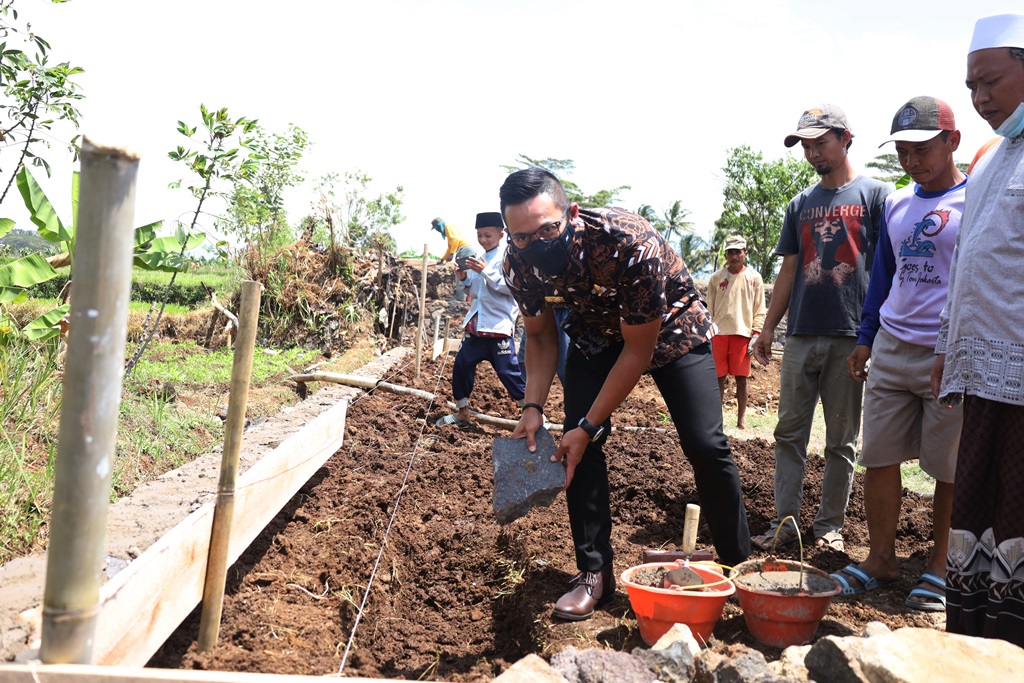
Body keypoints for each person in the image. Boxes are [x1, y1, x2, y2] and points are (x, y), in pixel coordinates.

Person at [500, 167, 751, 621]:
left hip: (671, 328)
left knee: (704, 442)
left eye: (548, 229)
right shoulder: (517, 261)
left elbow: (638, 350)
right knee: (580, 448)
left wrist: (589, 424)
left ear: (571, 214)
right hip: (595, 333)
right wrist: (533, 407)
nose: (536, 243)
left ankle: (737, 564)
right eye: (522, 236)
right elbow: (538, 337)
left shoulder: (628, 242)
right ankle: (595, 574)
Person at [830, 96, 966, 614]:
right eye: (903, 152)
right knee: (879, 456)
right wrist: (866, 338)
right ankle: (880, 559)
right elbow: (883, 278)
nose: (911, 162)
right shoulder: (897, 206)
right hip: (891, 345)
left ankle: (940, 567)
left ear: (951, 142)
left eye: (922, 149)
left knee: (948, 466)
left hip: (947, 352)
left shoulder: (977, 199)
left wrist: (959, 345)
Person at [751, 104, 890, 552]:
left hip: (850, 336)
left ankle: (829, 526)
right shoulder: (800, 204)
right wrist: (769, 327)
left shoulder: (876, 196)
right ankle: (783, 524)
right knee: (788, 434)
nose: (812, 152)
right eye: (805, 146)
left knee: (842, 439)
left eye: (820, 142)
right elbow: (789, 271)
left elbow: (888, 267)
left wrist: (874, 335)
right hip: (800, 335)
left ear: (845, 138)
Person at [933, 13, 1024, 647]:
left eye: (990, 82)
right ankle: (977, 641)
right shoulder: (993, 159)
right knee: (982, 505)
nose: (980, 98)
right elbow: (968, 262)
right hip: (981, 370)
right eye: (970, 87)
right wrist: (946, 344)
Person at [436, 212, 526, 428]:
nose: (483, 240)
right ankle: (463, 413)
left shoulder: (510, 258)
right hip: (477, 328)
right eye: (479, 235)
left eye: (488, 235)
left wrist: (486, 272)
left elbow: (513, 289)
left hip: (498, 328)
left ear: (501, 234)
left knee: (509, 373)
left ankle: (534, 415)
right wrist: (464, 278)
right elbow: (475, 293)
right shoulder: (480, 258)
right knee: (461, 365)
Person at [706, 235, 766, 429]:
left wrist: (756, 334)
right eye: (730, 252)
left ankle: (741, 421)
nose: (734, 256)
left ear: (744, 254)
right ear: (726, 255)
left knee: (742, 379)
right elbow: (709, 309)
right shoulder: (716, 278)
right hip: (719, 334)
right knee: (718, 379)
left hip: (743, 334)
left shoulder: (755, 278)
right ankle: (717, 420)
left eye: (737, 252)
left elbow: (760, 309)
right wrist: (709, 332)